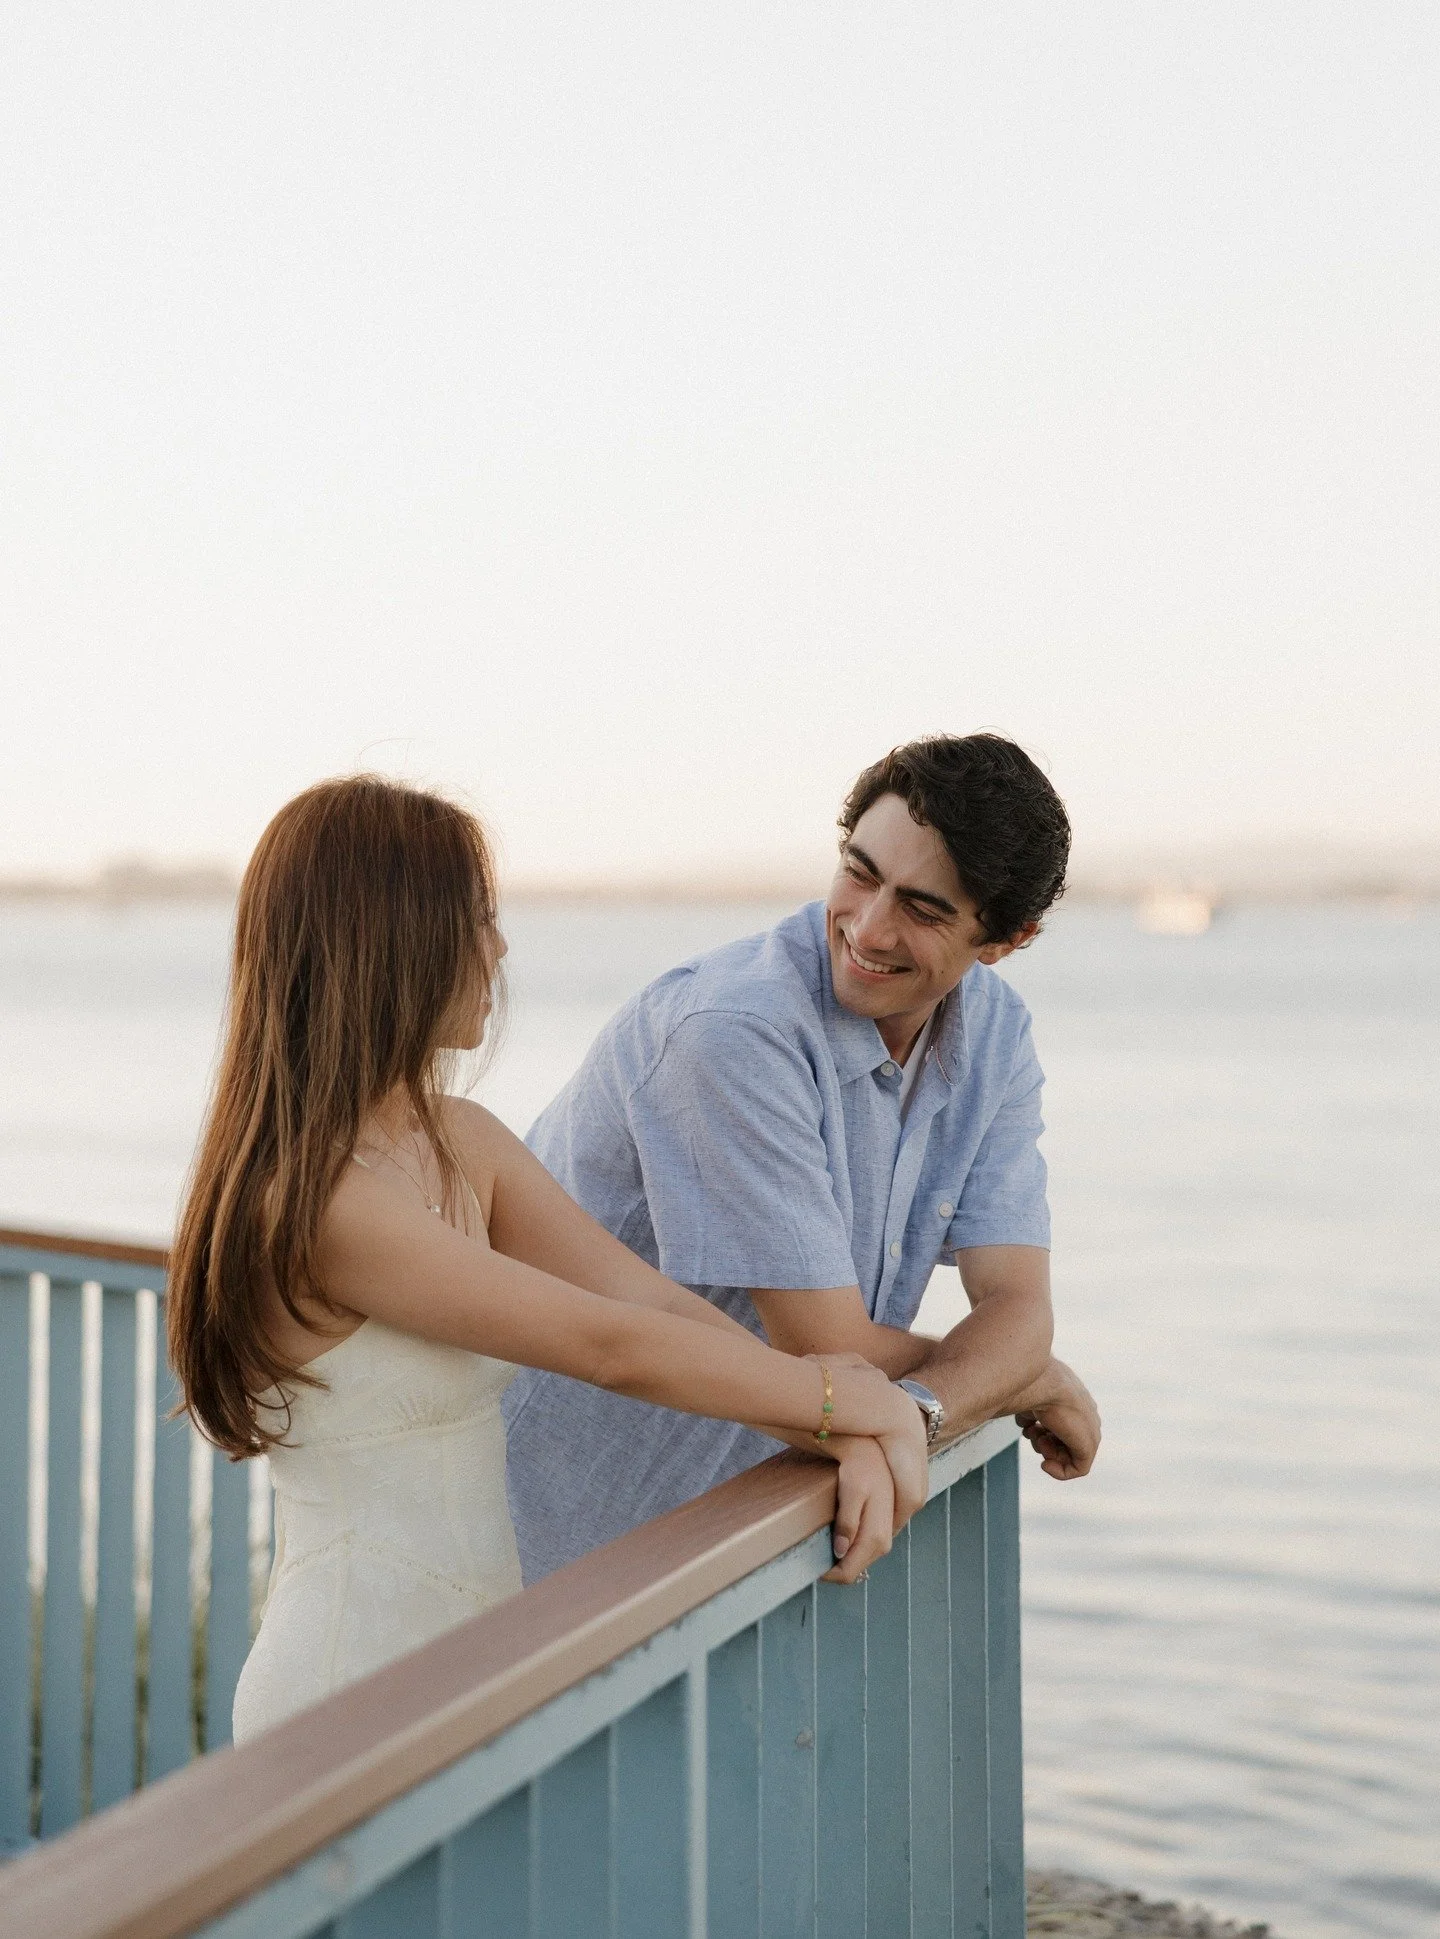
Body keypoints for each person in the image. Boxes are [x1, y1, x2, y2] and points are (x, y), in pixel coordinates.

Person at [165, 776, 929, 1744]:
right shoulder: (318, 1199)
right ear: (394, 938)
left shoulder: (462, 1139)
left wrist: (838, 1419)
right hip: (347, 1686)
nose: (499, 945)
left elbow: (648, 1303)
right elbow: (605, 1343)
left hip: (478, 1658)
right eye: (477, 917)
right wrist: (848, 1402)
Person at [505, 733, 1102, 1583]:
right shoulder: (735, 1033)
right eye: (859, 872)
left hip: (733, 1541)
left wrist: (941, 1400)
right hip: (544, 1544)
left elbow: (1016, 1306)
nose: (868, 926)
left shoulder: (995, 1037)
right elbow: (823, 1352)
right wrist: (1019, 1375)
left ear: (1008, 937)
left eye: (924, 909)